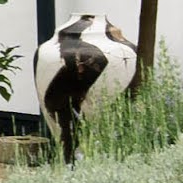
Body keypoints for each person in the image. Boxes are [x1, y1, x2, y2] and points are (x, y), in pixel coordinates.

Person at [38, 10, 135, 161]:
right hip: (64, 95)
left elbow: (101, 62)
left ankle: (73, 159)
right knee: (70, 126)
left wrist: (83, 77)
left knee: (72, 126)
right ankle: (71, 159)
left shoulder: (82, 51)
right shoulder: (69, 51)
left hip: (68, 94)